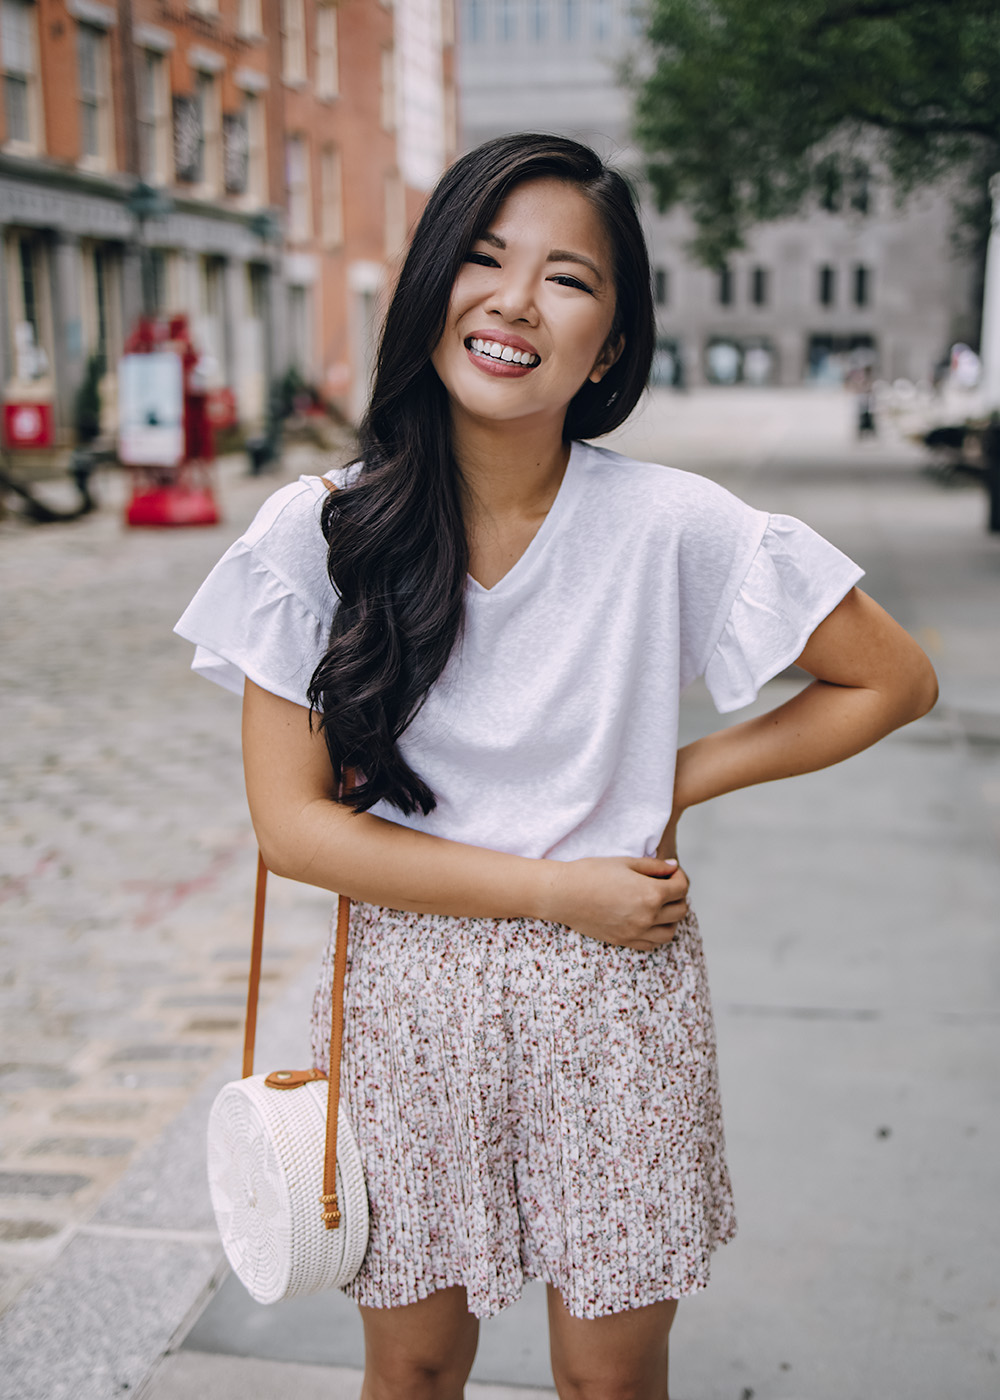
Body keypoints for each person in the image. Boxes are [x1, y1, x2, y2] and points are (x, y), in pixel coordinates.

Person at [176, 134, 937, 1400]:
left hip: (616, 1003)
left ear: (615, 342)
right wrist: (550, 889)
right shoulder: (315, 532)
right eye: (483, 259)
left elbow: (891, 678)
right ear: (428, 288)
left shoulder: (670, 523)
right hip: (403, 996)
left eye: (567, 277)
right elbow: (291, 829)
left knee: (609, 1381)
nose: (516, 300)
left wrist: (675, 777)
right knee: (412, 1368)